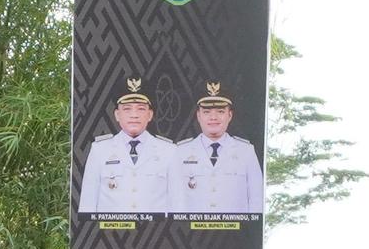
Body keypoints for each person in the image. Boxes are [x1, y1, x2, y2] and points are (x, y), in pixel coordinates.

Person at [173, 82, 266, 218]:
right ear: (198, 116)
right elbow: (174, 200)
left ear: (230, 115)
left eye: (220, 111)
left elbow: (257, 200)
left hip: (234, 230)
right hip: (193, 229)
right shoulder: (181, 152)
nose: (213, 117)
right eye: (206, 112)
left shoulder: (246, 151)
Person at [77, 79, 171, 215]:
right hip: (111, 228)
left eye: (141, 109)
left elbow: (178, 204)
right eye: (127, 109)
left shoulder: (169, 151)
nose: (134, 115)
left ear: (150, 114)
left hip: (156, 228)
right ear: (117, 114)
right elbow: (87, 204)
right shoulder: (100, 150)